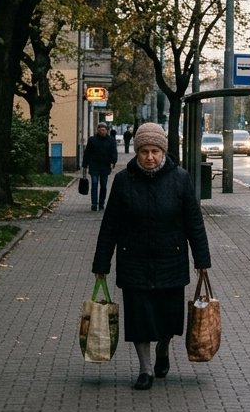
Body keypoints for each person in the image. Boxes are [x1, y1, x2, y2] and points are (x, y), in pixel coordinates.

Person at [91, 122, 210, 391]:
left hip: (171, 260)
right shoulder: (123, 181)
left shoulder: (180, 178)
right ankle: (145, 369)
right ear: (137, 152)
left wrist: (202, 260)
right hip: (134, 261)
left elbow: (194, 222)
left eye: (155, 151)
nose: (149, 157)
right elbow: (110, 225)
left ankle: (163, 349)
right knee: (139, 318)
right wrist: (102, 263)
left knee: (168, 318)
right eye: (144, 151)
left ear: (163, 151)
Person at [82, 122, 118, 211]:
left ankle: (101, 203)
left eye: (103, 130)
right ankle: (94, 204)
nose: (102, 132)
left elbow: (114, 152)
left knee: (103, 185)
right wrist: (85, 164)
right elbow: (87, 153)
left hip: (105, 166)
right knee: (94, 184)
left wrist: (113, 162)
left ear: (107, 130)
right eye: (100, 130)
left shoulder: (111, 140)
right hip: (94, 166)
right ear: (97, 130)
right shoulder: (92, 140)